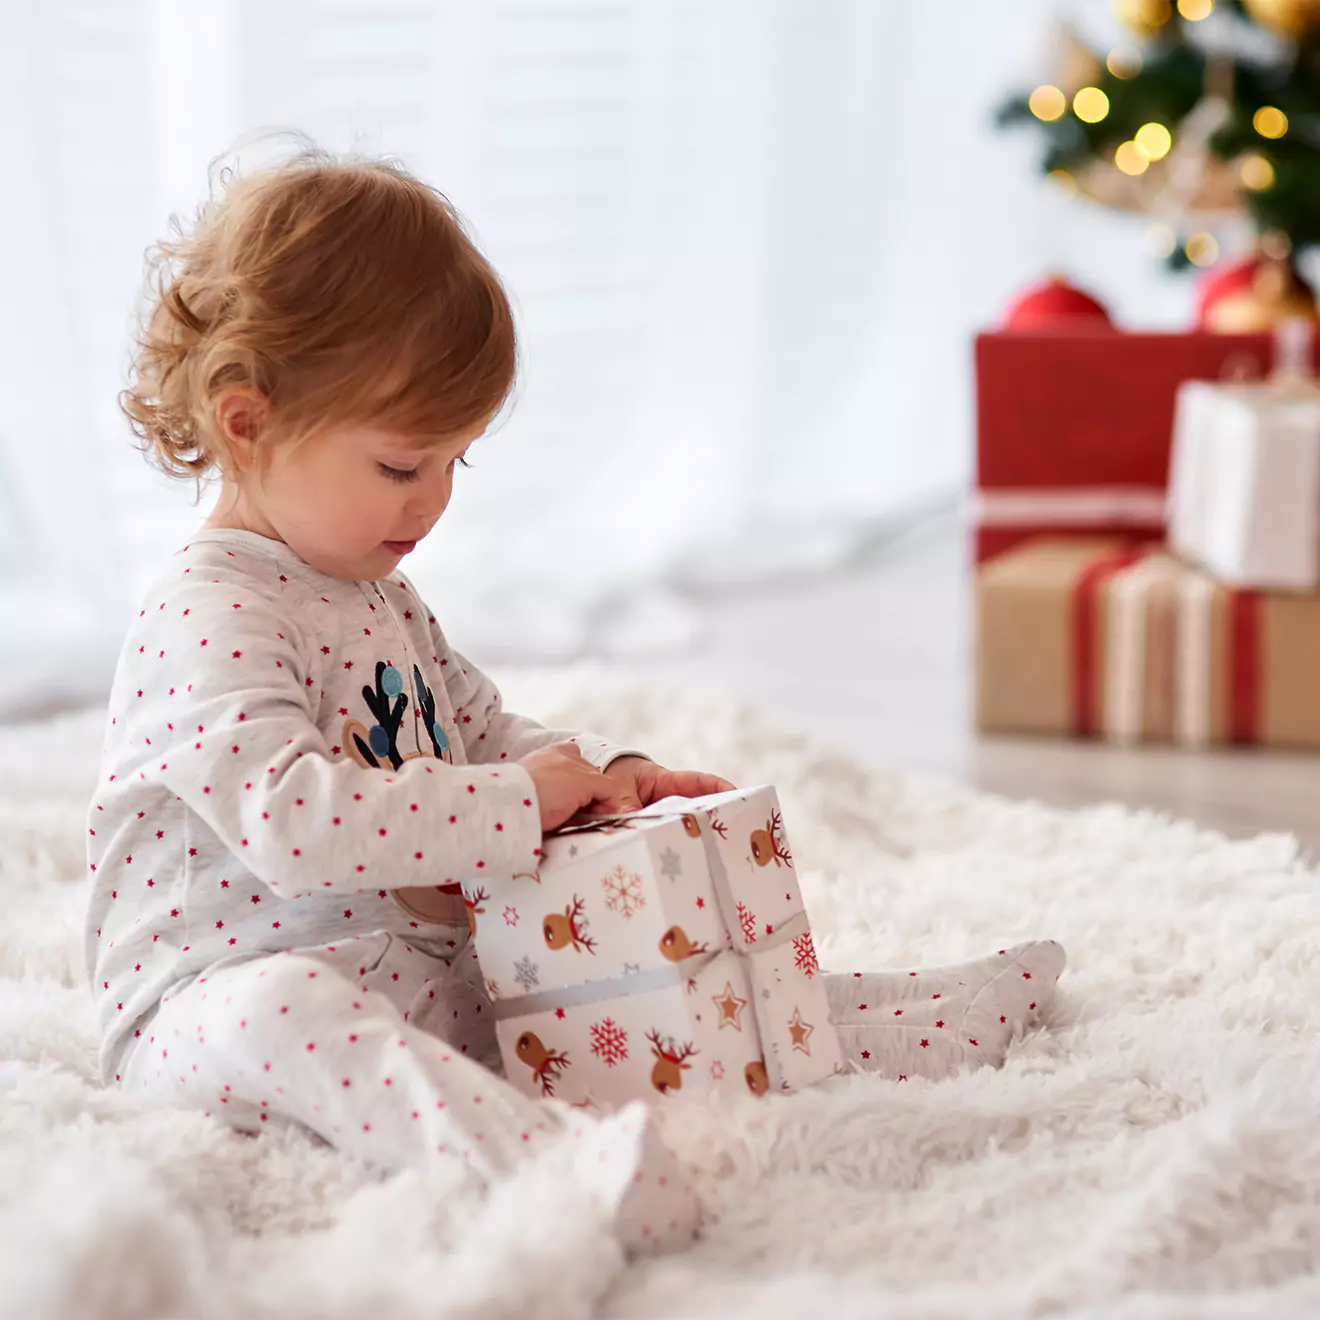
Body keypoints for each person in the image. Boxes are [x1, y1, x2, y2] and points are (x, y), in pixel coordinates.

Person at [85, 143, 1066, 1258]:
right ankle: (549, 1170)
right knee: (290, 1016)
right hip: (209, 1006)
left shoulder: (377, 591)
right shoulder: (204, 612)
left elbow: (483, 728)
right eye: (406, 466)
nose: (436, 501)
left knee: (606, 970)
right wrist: (513, 804)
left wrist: (596, 780)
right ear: (245, 422)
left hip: (411, 962)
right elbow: (292, 822)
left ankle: (851, 1023)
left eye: (461, 462)